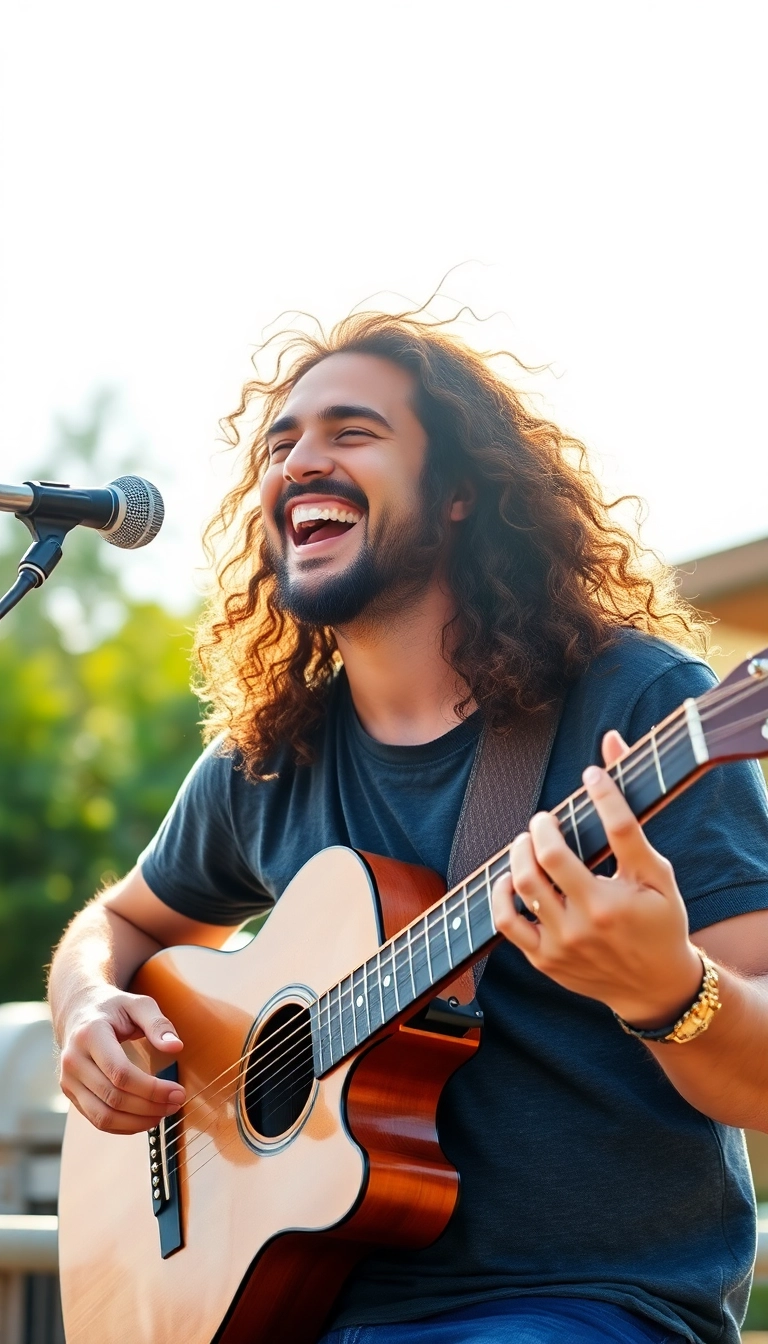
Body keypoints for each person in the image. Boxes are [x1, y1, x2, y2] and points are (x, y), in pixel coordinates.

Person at [48, 311, 768, 1344]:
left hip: (575, 1304)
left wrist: (669, 994)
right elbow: (117, 923)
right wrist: (86, 1007)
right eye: (281, 443)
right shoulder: (271, 755)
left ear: (463, 489)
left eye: (352, 431)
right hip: (287, 1305)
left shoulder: (641, 710)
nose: (302, 460)